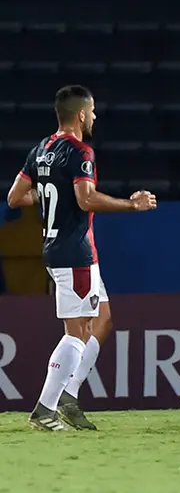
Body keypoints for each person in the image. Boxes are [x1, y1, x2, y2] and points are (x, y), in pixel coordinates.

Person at [6, 85, 157, 431]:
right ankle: (46, 408)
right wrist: (132, 205)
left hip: (59, 248)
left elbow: (16, 197)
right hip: (74, 252)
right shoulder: (81, 151)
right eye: (92, 111)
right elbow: (86, 199)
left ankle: (69, 395)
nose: (94, 117)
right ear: (80, 115)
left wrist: (50, 196)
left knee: (101, 320)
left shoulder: (41, 149)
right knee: (78, 332)